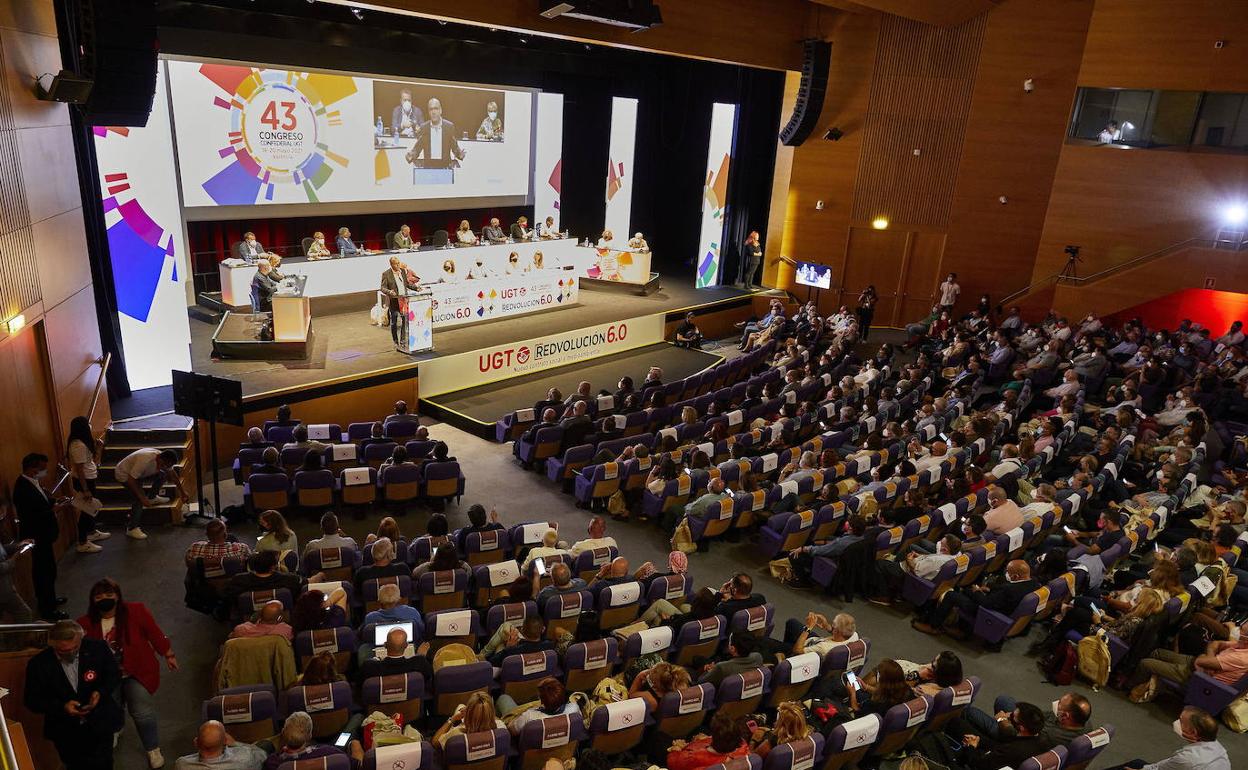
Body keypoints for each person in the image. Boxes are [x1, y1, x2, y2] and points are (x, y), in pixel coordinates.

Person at [77, 578, 176, 769]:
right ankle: (116, 729)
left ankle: (152, 748)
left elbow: (153, 632)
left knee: (142, 712)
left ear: (118, 596)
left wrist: (168, 653)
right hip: (106, 677)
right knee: (112, 708)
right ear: (92, 600)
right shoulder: (84, 623)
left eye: (109, 595)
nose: (104, 599)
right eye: (98, 596)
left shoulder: (136, 611)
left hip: (137, 671)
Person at [24, 620, 124, 770]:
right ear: (52, 644)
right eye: (63, 651)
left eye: (75, 648)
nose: (70, 653)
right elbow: (32, 700)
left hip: (100, 721)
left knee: (104, 763)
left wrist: (100, 692)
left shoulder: (98, 649)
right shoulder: (38, 665)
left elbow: (113, 675)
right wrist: (62, 707)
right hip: (65, 730)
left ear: (81, 638)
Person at [912, 559, 1038, 638]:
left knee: (952, 595)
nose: (1006, 574)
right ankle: (961, 629)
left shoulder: (1010, 589)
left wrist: (976, 591)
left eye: (1008, 573)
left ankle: (933, 626)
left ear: (1016, 576)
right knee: (966, 592)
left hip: (989, 612)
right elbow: (1006, 594)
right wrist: (989, 590)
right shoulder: (1034, 584)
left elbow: (986, 603)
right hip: (1002, 607)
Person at [14, 453, 65, 619]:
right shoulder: (22, 488)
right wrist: (53, 511)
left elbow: (41, 502)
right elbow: (30, 516)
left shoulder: (32, 482)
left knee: (48, 570)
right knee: (43, 572)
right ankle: (48, 609)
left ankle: (49, 599)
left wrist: (54, 502)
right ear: (32, 468)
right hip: (37, 535)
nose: (45, 472)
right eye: (42, 469)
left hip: (44, 535)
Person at [1110, 706, 1229, 770]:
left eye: (1181, 721)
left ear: (1193, 732)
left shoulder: (1189, 759)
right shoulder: (1217, 748)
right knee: (1138, 763)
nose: (1176, 722)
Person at [960, 701, 1056, 770]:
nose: (1008, 716)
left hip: (989, 762)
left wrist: (971, 746)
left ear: (1022, 728)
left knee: (957, 724)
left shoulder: (1010, 749)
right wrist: (979, 741)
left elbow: (978, 764)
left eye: (1012, 716)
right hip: (1006, 756)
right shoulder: (1044, 739)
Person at [113, 447, 184, 540]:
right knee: (138, 499)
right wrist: (142, 498)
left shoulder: (165, 460)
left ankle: (152, 497)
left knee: (163, 474)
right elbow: (131, 480)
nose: (162, 467)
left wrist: (183, 492)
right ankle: (132, 528)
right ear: (158, 457)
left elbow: (173, 475)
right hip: (124, 474)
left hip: (138, 474)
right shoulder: (144, 461)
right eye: (161, 464)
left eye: (165, 466)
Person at [63, 416, 109, 553]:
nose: (90, 425)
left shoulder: (83, 443)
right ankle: (82, 542)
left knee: (89, 509)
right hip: (83, 481)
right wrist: (85, 490)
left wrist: (99, 448)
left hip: (89, 478)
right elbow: (79, 469)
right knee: (86, 510)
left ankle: (92, 532)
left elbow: (92, 462)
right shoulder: (78, 445)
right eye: (88, 424)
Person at [262, 711, 361, 770]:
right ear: (310, 736)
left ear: (283, 733)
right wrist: (355, 746)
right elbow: (358, 765)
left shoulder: (273, 763)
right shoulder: (330, 753)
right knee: (357, 723)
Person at [667, 712, 750, 770]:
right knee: (699, 729)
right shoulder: (743, 746)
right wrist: (705, 740)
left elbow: (672, 764)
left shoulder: (692, 757)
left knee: (658, 738)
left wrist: (676, 748)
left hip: (681, 759)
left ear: (714, 739)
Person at [172, 720, 267, 770]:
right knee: (266, 745)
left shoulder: (182, 764)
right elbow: (262, 755)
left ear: (196, 743)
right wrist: (235, 743)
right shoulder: (245, 759)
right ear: (225, 741)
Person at [404, 98, 465, 168]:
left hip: (445, 168)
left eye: (436, 109)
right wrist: (411, 155)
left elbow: (454, 147)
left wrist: (460, 154)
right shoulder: (424, 128)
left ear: (440, 110)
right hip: (429, 167)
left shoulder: (449, 126)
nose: (433, 112)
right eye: (431, 109)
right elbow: (418, 147)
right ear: (428, 112)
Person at [359, 626, 433, 683]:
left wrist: (377, 659)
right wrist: (421, 656)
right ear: (406, 645)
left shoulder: (369, 666)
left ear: (385, 645)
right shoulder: (419, 662)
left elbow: (361, 685)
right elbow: (428, 678)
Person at [431, 692, 505, 749]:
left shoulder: (456, 736)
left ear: (468, 716)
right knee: (461, 706)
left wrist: (452, 719)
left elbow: (435, 743)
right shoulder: (502, 729)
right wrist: (482, 714)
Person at [380, 256, 423, 346]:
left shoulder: (402, 271)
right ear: (391, 265)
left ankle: (403, 341)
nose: (399, 265)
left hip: (403, 300)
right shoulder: (386, 274)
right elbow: (382, 288)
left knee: (405, 320)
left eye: (399, 263)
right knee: (394, 322)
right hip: (394, 301)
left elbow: (407, 284)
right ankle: (396, 341)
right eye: (396, 264)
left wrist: (416, 288)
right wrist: (389, 291)